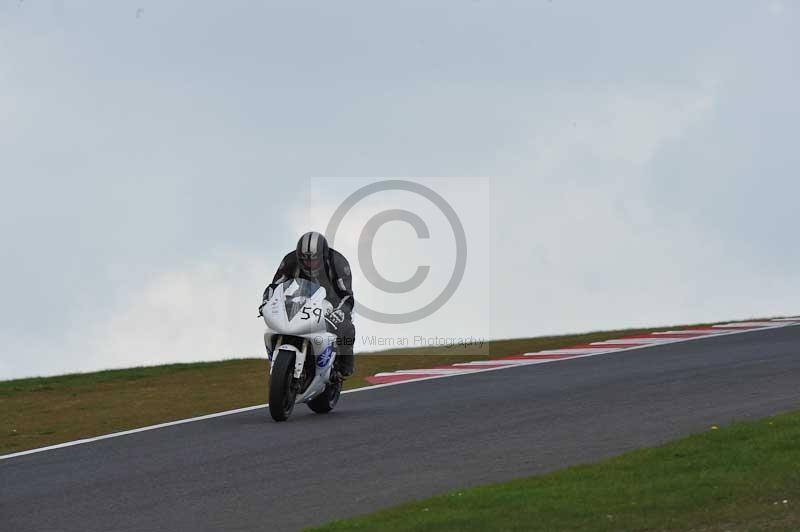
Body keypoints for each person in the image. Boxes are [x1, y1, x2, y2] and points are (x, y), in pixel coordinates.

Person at [261, 231, 355, 380]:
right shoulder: (290, 260)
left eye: (314, 260)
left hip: (332, 302)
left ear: (323, 257)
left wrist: (339, 312)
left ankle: (345, 365)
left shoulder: (338, 264)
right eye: (305, 260)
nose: (309, 264)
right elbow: (275, 286)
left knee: (347, 327)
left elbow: (347, 295)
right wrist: (266, 302)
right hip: (300, 298)